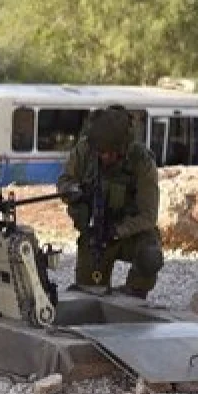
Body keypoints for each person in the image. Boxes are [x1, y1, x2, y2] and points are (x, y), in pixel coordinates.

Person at [57, 106, 164, 298]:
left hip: (129, 232)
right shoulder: (85, 150)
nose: (103, 157)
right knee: (87, 295)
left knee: (150, 255)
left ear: (122, 148)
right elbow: (64, 182)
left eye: (109, 152)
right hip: (95, 233)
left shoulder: (142, 162)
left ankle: (133, 295)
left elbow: (148, 215)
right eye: (100, 152)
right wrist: (73, 192)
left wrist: (117, 231)